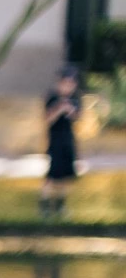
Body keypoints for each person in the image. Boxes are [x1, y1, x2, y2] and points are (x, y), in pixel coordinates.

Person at [42, 66, 82, 218]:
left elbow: (77, 116)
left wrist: (70, 109)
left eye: (71, 84)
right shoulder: (52, 98)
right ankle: (45, 204)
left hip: (68, 140)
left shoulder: (75, 99)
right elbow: (48, 119)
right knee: (53, 175)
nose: (68, 87)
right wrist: (59, 109)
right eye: (65, 83)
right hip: (55, 141)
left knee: (65, 175)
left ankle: (60, 206)